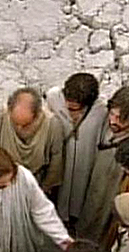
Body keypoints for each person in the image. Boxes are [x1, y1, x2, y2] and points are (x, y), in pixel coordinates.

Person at [76, 86, 129, 243]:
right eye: (112, 114)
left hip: (110, 198)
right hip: (93, 189)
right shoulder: (108, 125)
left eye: (122, 119)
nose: (113, 121)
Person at [45, 73, 107, 234]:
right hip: (59, 164)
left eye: (75, 109)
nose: (70, 113)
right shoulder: (53, 99)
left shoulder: (101, 111)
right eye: (68, 108)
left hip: (84, 166)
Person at [0, 87, 65, 197]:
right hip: (2, 184)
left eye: (26, 125)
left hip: (37, 182)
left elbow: (56, 162)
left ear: (37, 116)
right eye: (15, 124)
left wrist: (43, 190)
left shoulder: (52, 126)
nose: (19, 129)